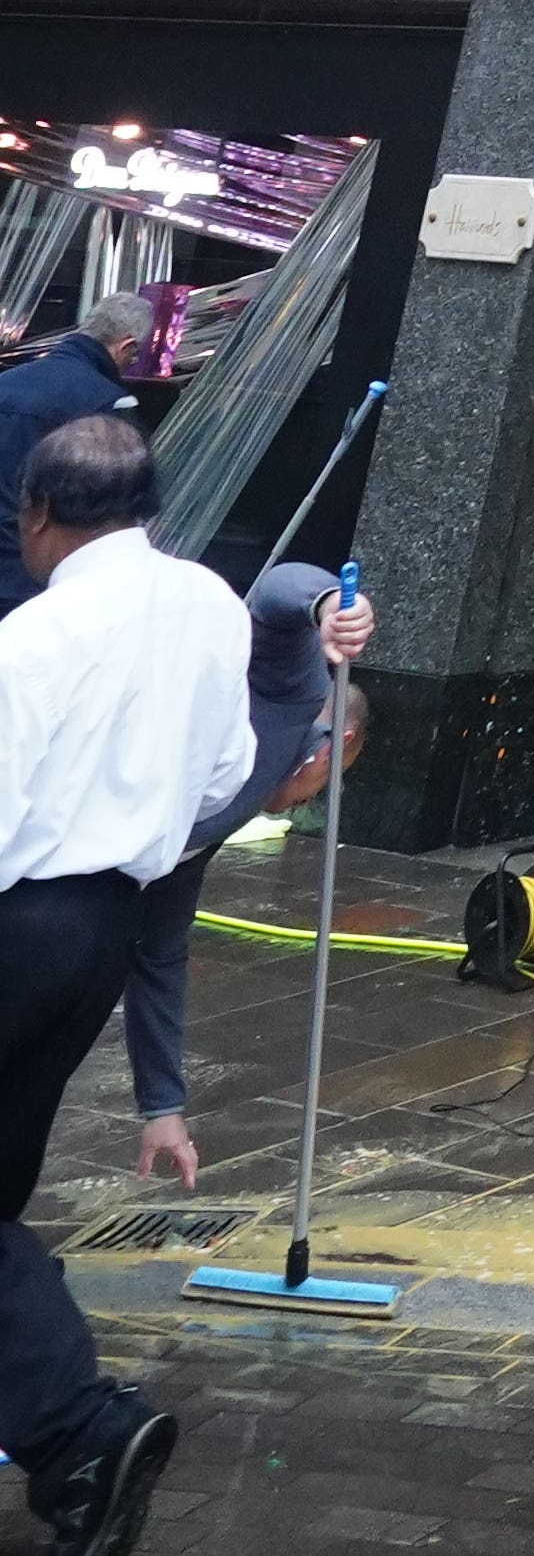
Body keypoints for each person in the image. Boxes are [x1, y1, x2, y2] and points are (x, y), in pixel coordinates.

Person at [0, 416, 255, 1555]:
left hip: (22, 916)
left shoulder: (36, 636)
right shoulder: (210, 603)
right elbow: (230, 769)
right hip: (107, 928)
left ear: (38, 515)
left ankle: (79, 1430)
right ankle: (71, 1437)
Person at [117, 564, 375, 1188]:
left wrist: (162, 1107)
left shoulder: (215, 823)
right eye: (329, 784)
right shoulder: (292, 694)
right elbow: (276, 590)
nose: (312, 800)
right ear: (332, 749)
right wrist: (327, 607)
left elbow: (160, 957)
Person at [0, 295, 148, 617]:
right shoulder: (109, 404)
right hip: (41, 580)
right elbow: (116, 508)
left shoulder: (5, 383)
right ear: (126, 347)